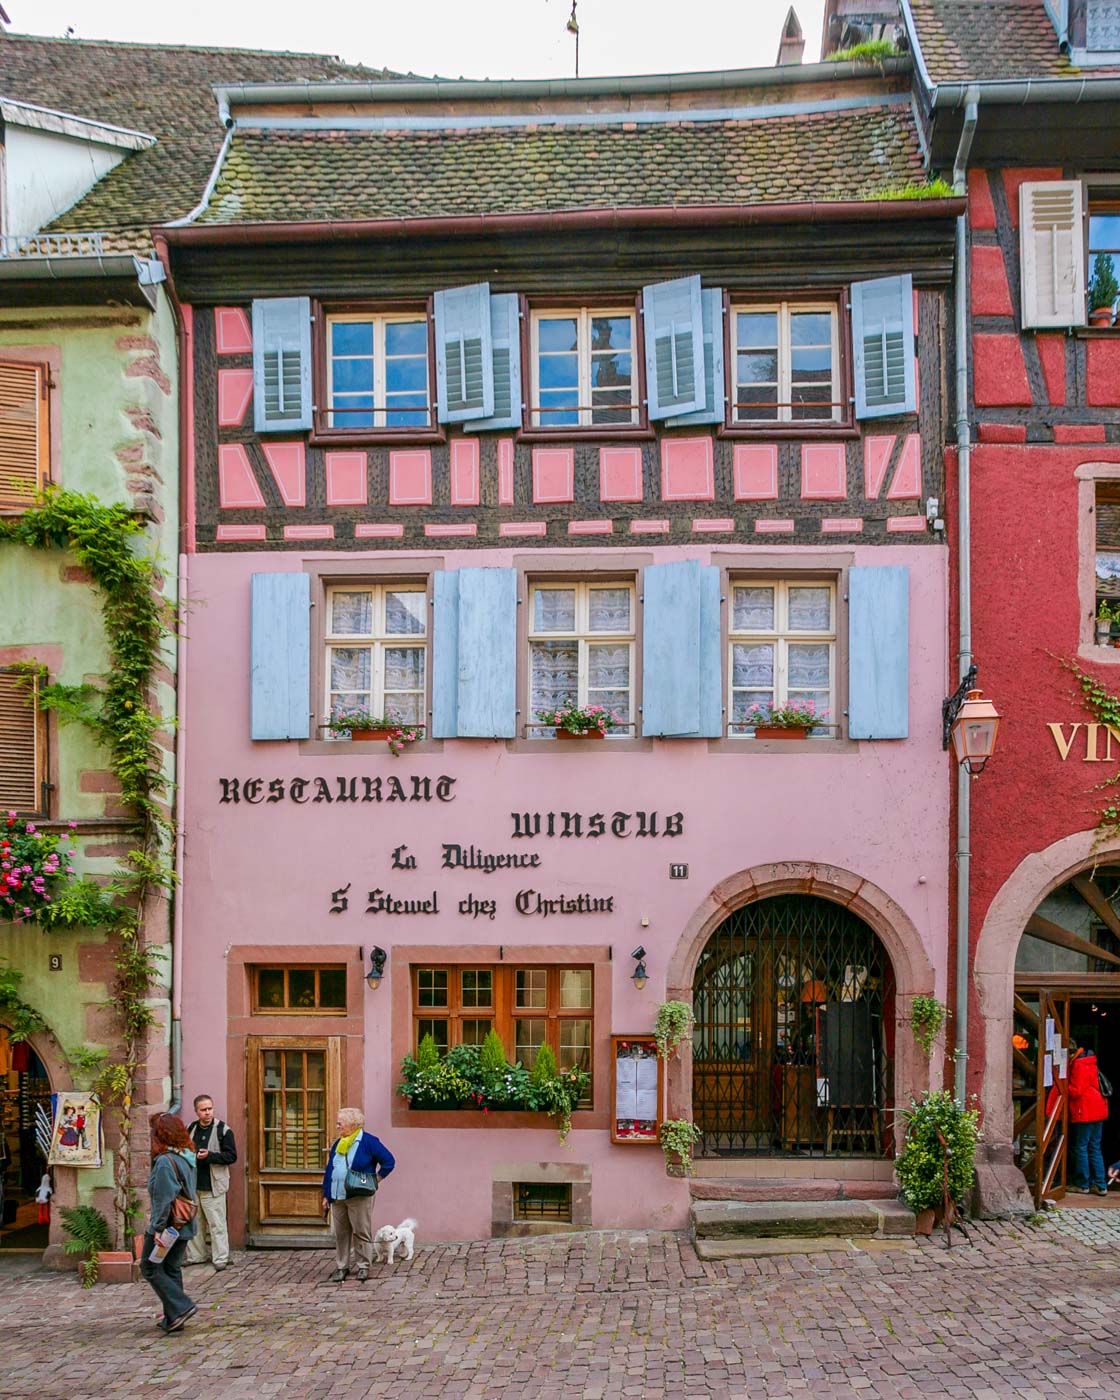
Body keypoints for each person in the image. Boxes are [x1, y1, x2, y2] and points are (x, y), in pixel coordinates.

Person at [140, 1112, 199, 1335]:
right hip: (184, 1223)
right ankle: (174, 1318)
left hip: (169, 1227)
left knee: (149, 1266)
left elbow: (164, 1199)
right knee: (171, 1269)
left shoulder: (165, 1161)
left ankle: (182, 1306)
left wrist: (157, 1229)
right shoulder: (187, 1156)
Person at [320, 1107, 394, 1282]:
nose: (337, 1126)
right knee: (341, 1233)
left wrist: (375, 1180)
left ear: (353, 1124)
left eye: (340, 1123)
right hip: (337, 1196)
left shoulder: (368, 1142)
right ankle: (342, 1266)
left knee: (361, 1231)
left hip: (359, 1196)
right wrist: (326, 1194)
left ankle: (363, 1266)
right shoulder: (338, 1143)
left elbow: (389, 1161)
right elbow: (330, 1170)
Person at [185, 1094, 237, 1270]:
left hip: (213, 1185)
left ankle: (221, 1257)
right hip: (193, 1185)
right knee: (195, 1223)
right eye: (203, 1110)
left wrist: (210, 1156)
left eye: (210, 1109)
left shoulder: (224, 1130)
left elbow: (231, 1156)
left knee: (217, 1224)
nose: (207, 1112)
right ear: (196, 1111)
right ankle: (196, 1256)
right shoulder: (190, 1128)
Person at [1066, 1038, 1109, 1196]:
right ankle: (1100, 1185)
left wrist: (1062, 1086)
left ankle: (1082, 1184)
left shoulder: (1079, 1064)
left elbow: (1076, 1090)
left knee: (1081, 1147)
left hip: (1085, 1110)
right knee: (1094, 1147)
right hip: (1098, 1109)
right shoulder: (1089, 1062)